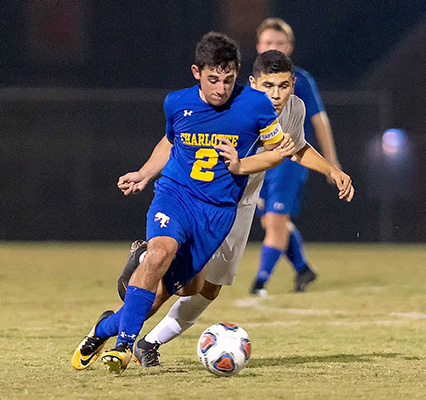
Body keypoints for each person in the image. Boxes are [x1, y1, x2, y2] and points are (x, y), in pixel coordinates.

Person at [71, 33, 294, 374]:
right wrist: (145, 174)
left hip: (217, 212)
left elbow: (278, 152)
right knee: (160, 254)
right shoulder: (176, 102)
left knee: (185, 289)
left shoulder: (256, 105)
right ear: (196, 72)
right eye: (213, 80)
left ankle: (102, 328)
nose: (221, 89)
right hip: (175, 195)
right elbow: (170, 141)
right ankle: (123, 348)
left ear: (237, 74)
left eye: (228, 80)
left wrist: (240, 166)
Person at [116, 50, 354, 368]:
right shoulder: (232, 106)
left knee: (208, 289)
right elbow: (173, 140)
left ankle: (148, 343)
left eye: (284, 85)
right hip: (203, 200)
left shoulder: (294, 107)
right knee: (181, 282)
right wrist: (145, 173)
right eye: (268, 85)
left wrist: (330, 170)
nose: (276, 93)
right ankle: (115, 334)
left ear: (293, 85)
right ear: (254, 83)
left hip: (241, 207)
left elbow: (296, 146)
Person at [251, 18, 342, 294]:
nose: (274, 48)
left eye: (279, 43)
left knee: (276, 222)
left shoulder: (299, 80)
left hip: (289, 161)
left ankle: (259, 284)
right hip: (261, 162)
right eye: (268, 43)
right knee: (272, 222)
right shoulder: (256, 81)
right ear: (258, 46)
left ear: (289, 47)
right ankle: (303, 269)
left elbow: (319, 120)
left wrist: (331, 163)